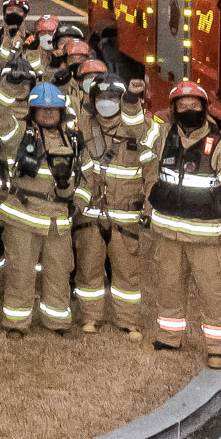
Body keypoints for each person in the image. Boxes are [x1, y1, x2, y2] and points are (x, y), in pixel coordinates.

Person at [147, 81, 221, 368]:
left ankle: (217, 348)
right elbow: (148, 164)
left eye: (194, 105)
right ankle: (169, 337)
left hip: (206, 237)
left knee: (212, 292)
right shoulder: (164, 137)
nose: (189, 109)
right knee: (168, 287)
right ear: (174, 110)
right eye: (182, 105)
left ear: (204, 109)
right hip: (168, 232)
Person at [75, 73, 159, 337]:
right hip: (90, 211)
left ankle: (127, 321)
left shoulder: (139, 129)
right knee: (88, 269)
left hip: (126, 214)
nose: (107, 102)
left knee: (127, 273)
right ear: (92, 100)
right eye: (101, 97)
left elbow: (152, 171)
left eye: (113, 97)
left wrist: (149, 206)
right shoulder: (82, 125)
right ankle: (90, 317)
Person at [0, 83, 84, 337]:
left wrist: (78, 202)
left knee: (58, 272)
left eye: (53, 109)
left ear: (61, 111)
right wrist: (8, 86)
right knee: (20, 272)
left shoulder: (74, 140)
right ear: (32, 111)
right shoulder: (19, 135)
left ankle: (56, 322)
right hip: (23, 216)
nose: (47, 113)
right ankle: (16, 324)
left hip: (58, 219)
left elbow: (86, 176)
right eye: (42, 109)